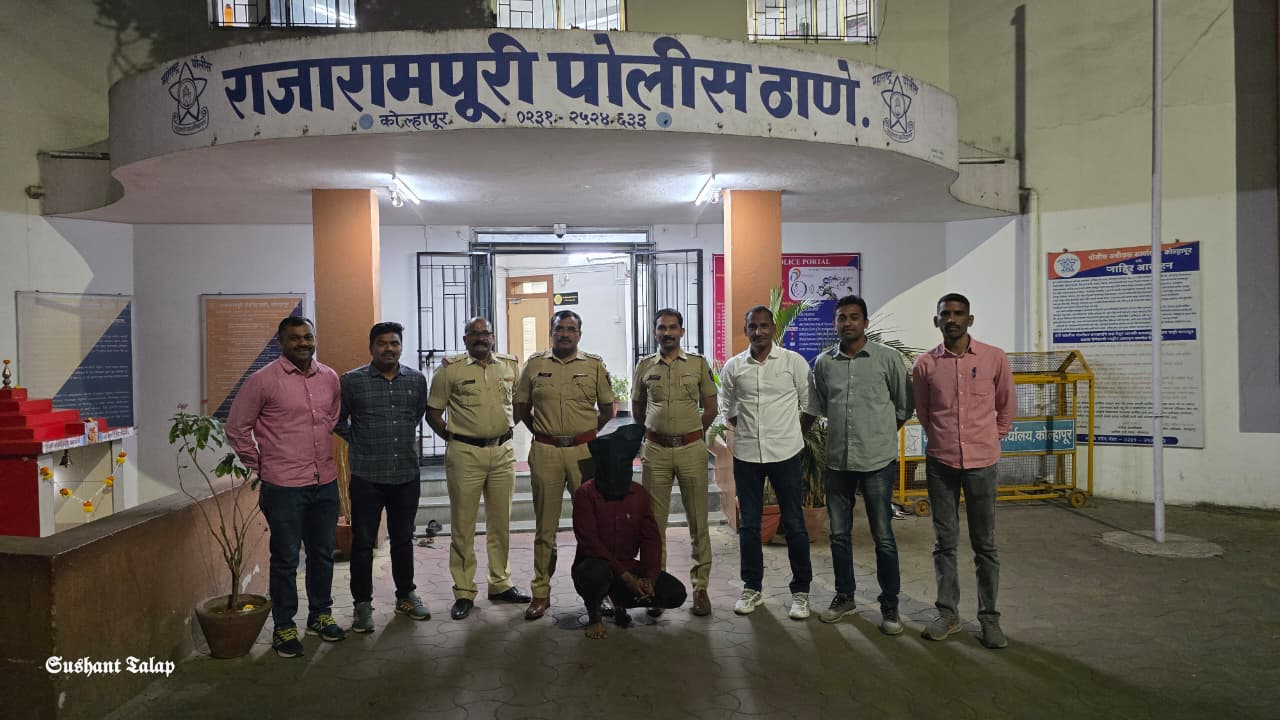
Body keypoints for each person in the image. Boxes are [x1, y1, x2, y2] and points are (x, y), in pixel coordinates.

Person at [226, 316, 344, 658]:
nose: (303, 343)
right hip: (284, 487)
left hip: (324, 482)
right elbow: (237, 428)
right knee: (286, 559)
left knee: (323, 554)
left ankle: (320, 616)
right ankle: (284, 626)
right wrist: (262, 465)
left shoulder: (330, 377)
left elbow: (332, 418)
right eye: (295, 338)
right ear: (280, 342)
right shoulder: (263, 380)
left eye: (308, 336)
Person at [802, 295, 913, 634]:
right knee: (839, 535)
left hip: (876, 461)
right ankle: (845, 596)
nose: (847, 323)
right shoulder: (824, 363)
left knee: (883, 536)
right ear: (835, 323)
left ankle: (890, 604)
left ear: (865, 322)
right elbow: (820, 406)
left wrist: (879, 434)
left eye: (854, 317)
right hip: (838, 462)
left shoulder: (887, 359)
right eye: (841, 317)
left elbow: (904, 405)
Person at [912, 293, 1016, 649]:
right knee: (944, 543)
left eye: (958, 314)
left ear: (969, 319)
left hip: (982, 464)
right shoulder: (925, 364)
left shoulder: (993, 358)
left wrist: (991, 437)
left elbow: (1006, 405)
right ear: (936, 320)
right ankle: (948, 614)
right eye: (945, 314)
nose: (952, 319)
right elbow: (924, 411)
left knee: (985, 544)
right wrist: (943, 439)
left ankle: (989, 618)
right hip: (941, 464)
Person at [426, 317, 532, 620]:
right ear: (465, 339)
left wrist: (504, 430)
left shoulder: (509, 366)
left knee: (501, 522)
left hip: (502, 453)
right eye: (474, 334)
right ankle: (463, 590)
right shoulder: (450, 369)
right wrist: (455, 438)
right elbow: (433, 412)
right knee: (463, 525)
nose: (480, 338)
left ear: (493, 337)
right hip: (465, 455)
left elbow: (520, 404)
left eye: (485, 333)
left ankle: (500, 583)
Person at [513, 310, 614, 620]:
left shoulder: (594, 365)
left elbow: (607, 410)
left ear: (579, 334)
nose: (565, 334)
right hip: (546, 453)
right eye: (560, 329)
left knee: (593, 526)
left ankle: (599, 592)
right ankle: (541, 592)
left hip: (584, 453)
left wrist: (585, 434)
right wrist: (544, 433)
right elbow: (521, 408)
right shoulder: (534, 365)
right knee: (545, 528)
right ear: (551, 332)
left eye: (571, 329)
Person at [717, 305, 814, 620]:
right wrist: (747, 431)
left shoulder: (792, 362)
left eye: (763, 326)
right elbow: (728, 409)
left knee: (794, 523)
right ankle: (752, 587)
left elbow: (809, 405)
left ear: (772, 328)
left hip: (785, 455)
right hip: (747, 456)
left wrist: (791, 434)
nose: (758, 332)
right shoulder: (734, 367)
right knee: (749, 525)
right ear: (745, 330)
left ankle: (801, 592)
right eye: (752, 326)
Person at [335, 321, 431, 633]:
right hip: (367, 475)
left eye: (394, 343)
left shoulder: (416, 380)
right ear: (371, 347)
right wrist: (360, 440)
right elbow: (337, 419)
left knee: (403, 539)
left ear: (401, 347)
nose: (389, 348)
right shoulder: (352, 381)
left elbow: (416, 415)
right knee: (363, 542)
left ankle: (405, 596)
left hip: (405, 474)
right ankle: (362, 604)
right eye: (382, 343)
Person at [631, 308, 717, 617]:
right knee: (654, 525)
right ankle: (656, 587)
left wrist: (689, 432)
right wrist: (656, 433)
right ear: (655, 332)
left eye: (672, 327)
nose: (667, 333)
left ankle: (700, 588)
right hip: (655, 452)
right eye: (661, 328)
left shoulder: (697, 364)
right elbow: (638, 407)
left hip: (691, 450)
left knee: (698, 522)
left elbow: (711, 407)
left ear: (681, 331)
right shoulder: (644, 366)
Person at [571, 423, 687, 639]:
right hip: (595, 568)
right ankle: (595, 616)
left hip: (628, 568)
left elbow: (651, 539)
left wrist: (649, 579)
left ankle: (619, 601)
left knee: (675, 593)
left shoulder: (639, 494)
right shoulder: (585, 495)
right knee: (595, 573)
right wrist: (627, 578)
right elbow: (590, 543)